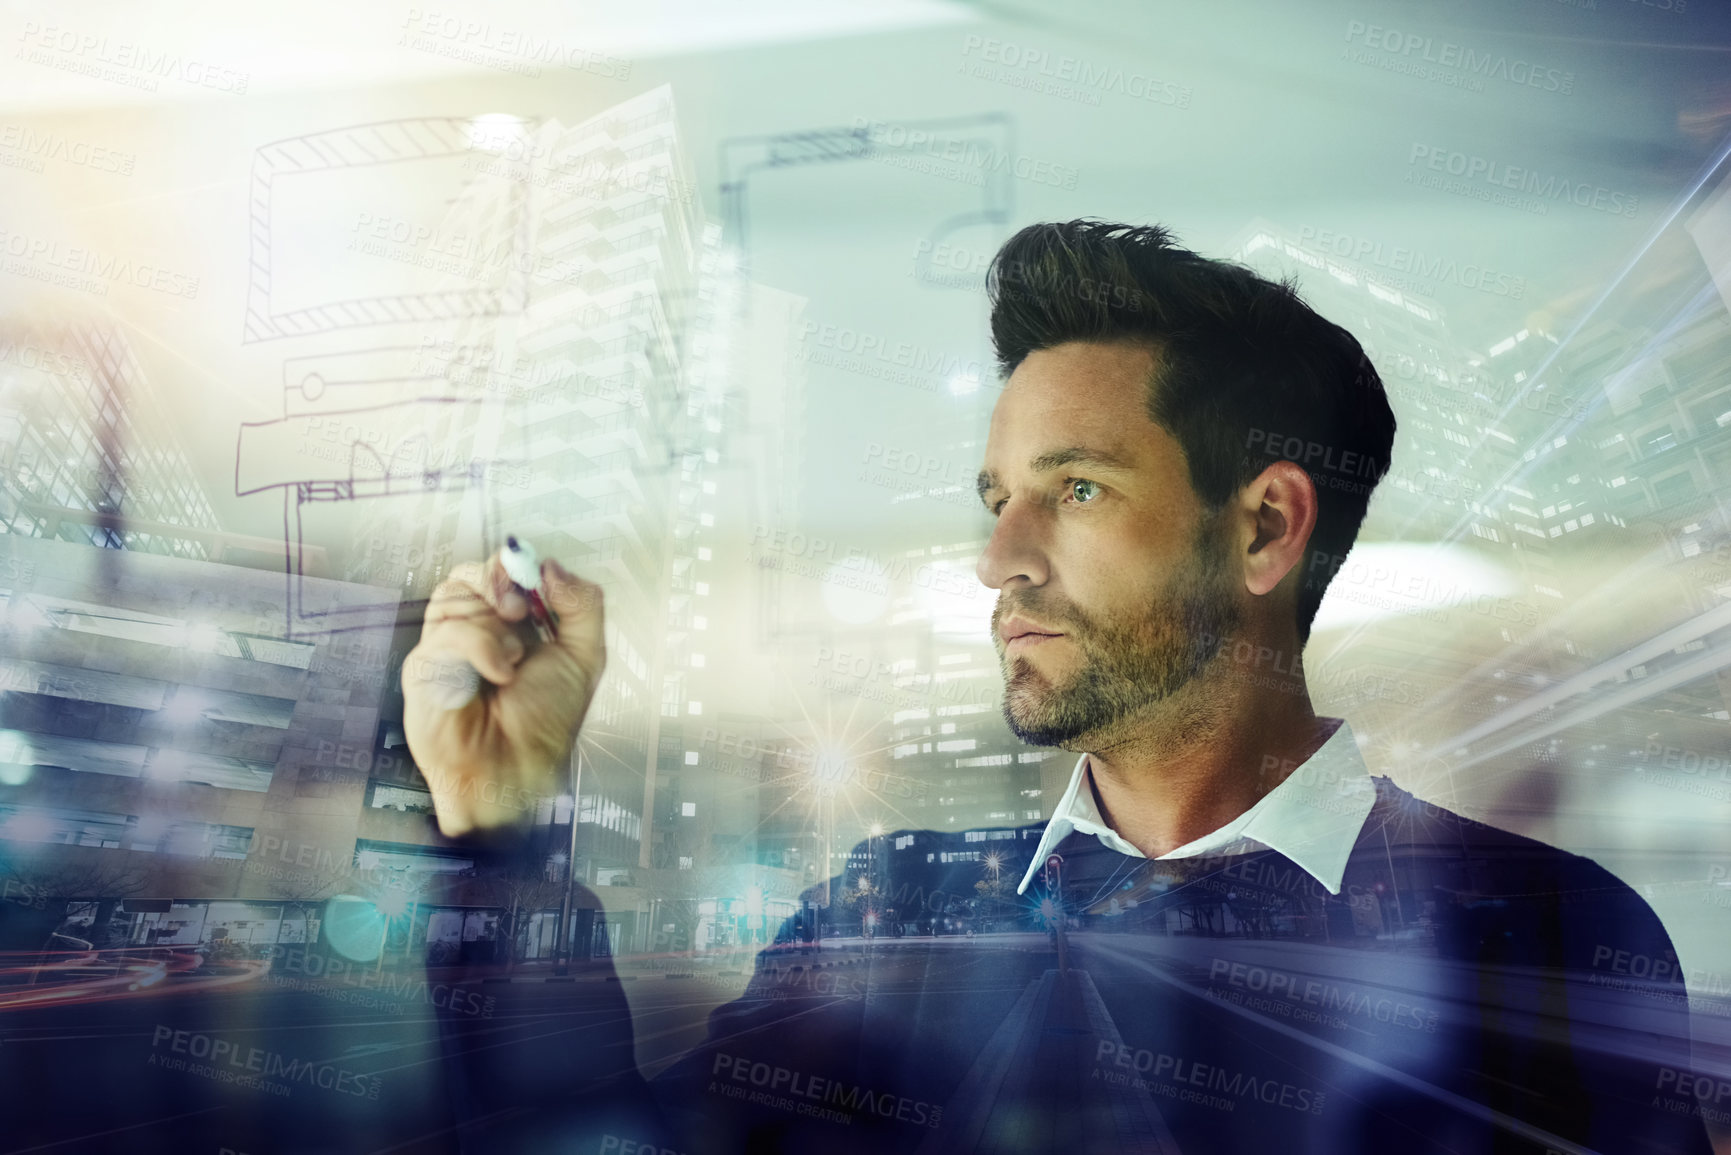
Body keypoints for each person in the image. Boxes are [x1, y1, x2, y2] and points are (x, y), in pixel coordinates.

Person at [403, 220, 1711, 1153]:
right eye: (997, 499)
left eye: (1075, 489)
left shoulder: (1539, 940)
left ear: (1264, 528)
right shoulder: (887, 915)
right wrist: (499, 832)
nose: (998, 561)